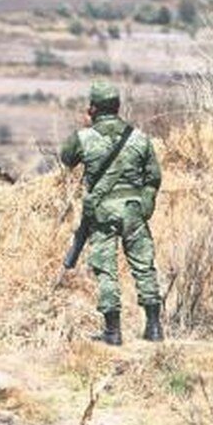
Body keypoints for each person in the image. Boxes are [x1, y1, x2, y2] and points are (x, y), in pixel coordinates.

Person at [59, 81, 163, 345]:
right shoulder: (139, 138)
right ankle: (154, 329)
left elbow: (66, 159)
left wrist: (86, 127)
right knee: (144, 267)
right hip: (133, 211)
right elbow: (153, 177)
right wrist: (145, 205)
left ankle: (113, 333)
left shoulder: (84, 138)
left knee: (106, 270)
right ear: (117, 107)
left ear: (93, 108)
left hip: (102, 214)